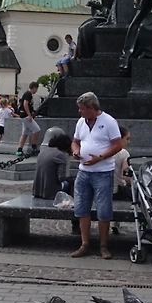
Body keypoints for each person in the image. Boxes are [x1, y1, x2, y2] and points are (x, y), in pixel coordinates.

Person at [70, 92, 125, 259]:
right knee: (82, 208)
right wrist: (76, 151)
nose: (79, 111)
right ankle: (84, 244)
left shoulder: (109, 122)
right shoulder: (81, 122)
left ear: (91, 108)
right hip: (83, 172)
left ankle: (103, 245)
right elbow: (75, 141)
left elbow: (118, 145)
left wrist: (100, 157)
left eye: (82, 109)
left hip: (103, 172)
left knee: (104, 210)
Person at [32, 133, 73, 200]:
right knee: (69, 183)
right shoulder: (60, 155)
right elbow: (61, 178)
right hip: (51, 192)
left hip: (37, 191)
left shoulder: (43, 152)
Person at [14, 82, 42, 157]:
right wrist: (29, 115)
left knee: (25, 133)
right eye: (36, 89)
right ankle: (34, 147)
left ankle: (19, 150)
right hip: (25, 115)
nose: (36, 91)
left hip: (23, 115)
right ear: (34, 88)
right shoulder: (28, 94)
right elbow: (25, 104)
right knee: (36, 129)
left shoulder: (27, 94)